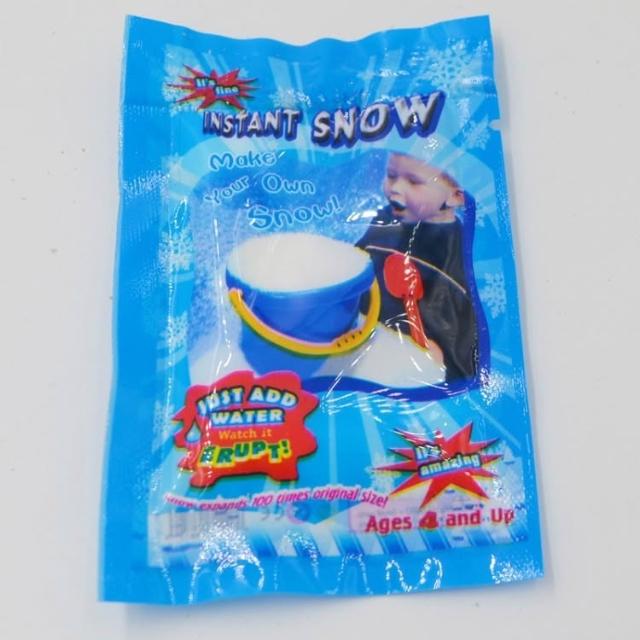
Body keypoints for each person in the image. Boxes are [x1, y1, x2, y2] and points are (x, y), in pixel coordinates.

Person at [356, 152, 480, 382]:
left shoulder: (459, 254)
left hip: (409, 366)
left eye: (413, 181)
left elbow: (467, 338)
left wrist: (444, 360)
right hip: (362, 339)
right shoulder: (384, 221)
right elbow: (358, 264)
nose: (395, 188)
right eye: (391, 175)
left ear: (456, 196)